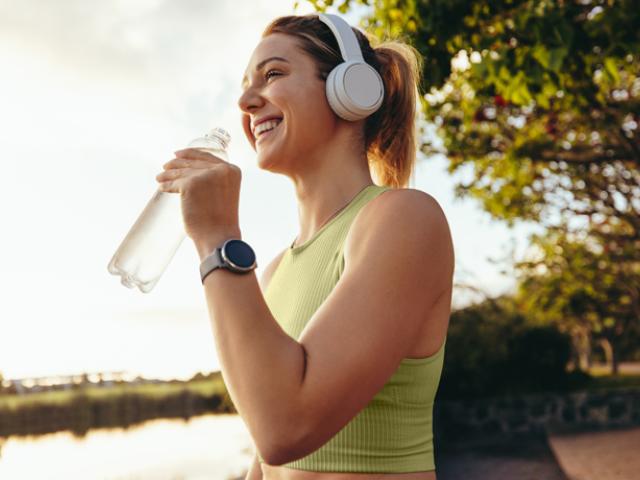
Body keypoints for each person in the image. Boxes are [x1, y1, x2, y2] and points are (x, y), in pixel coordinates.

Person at [155, 12, 454, 480]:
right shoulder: (271, 273)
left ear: (349, 90)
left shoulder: (403, 220)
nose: (246, 100)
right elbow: (265, 459)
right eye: (245, 83)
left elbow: (285, 428)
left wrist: (217, 238)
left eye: (273, 74)